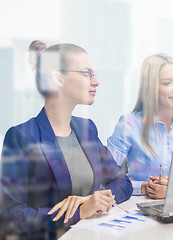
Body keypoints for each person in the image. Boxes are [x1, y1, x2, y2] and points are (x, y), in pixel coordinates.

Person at [0, 40, 132, 239]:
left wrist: (89, 200)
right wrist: (79, 212)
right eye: (86, 73)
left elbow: (122, 182)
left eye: (94, 74)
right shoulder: (21, 137)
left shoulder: (87, 129)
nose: (95, 81)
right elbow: (11, 217)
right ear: (58, 78)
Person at [107, 53, 173, 198]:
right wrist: (144, 187)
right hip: (140, 208)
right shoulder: (129, 124)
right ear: (150, 88)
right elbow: (105, 178)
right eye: (167, 83)